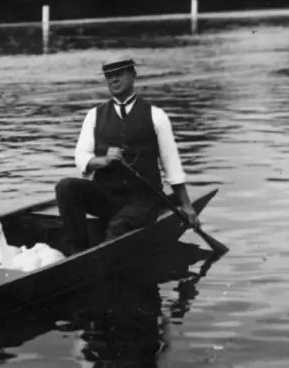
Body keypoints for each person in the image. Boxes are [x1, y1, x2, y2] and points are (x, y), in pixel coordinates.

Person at [55, 56, 199, 255]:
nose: (113, 80)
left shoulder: (157, 116)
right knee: (65, 187)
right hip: (107, 196)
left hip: (145, 201)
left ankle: (103, 257)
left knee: (118, 225)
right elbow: (81, 156)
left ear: (133, 75)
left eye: (118, 74)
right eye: (108, 76)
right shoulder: (94, 116)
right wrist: (103, 160)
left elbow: (172, 165)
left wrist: (186, 205)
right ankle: (76, 252)